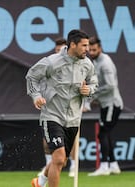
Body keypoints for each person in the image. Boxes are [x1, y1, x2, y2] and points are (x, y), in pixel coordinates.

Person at [27, 29, 98, 187]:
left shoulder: (87, 64)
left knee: (62, 160)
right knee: (58, 159)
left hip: (73, 119)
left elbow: (94, 83)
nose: (87, 49)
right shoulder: (52, 61)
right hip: (52, 116)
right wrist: (36, 96)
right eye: (84, 45)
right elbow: (32, 76)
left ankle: (40, 181)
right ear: (72, 44)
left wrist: (89, 90)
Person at [86, 36, 123, 176]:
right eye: (90, 49)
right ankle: (113, 165)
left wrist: (92, 96)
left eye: (94, 49)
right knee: (105, 134)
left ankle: (104, 166)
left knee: (102, 134)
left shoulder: (105, 63)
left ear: (100, 48)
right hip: (105, 104)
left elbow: (110, 86)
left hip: (112, 104)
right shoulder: (94, 62)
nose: (91, 52)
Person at [37, 37, 67, 177]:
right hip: (50, 109)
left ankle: (71, 166)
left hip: (68, 111)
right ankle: (46, 167)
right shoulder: (49, 63)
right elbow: (36, 80)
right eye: (56, 50)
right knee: (50, 143)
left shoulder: (75, 65)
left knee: (63, 157)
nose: (58, 53)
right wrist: (39, 97)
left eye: (60, 50)